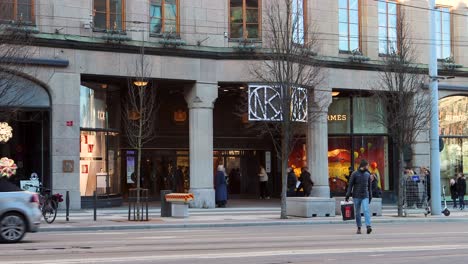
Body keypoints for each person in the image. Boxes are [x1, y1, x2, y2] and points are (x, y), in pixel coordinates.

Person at [346, 159, 373, 234]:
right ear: (364, 166)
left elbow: (369, 187)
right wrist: (347, 195)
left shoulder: (368, 174)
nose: (368, 166)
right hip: (356, 196)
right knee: (357, 212)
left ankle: (368, 226)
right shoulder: (354, 174)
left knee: (366, 210)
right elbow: (350, 185)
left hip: (365, 195)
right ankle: (359, 227)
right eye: (367, 165)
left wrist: (370, 196)